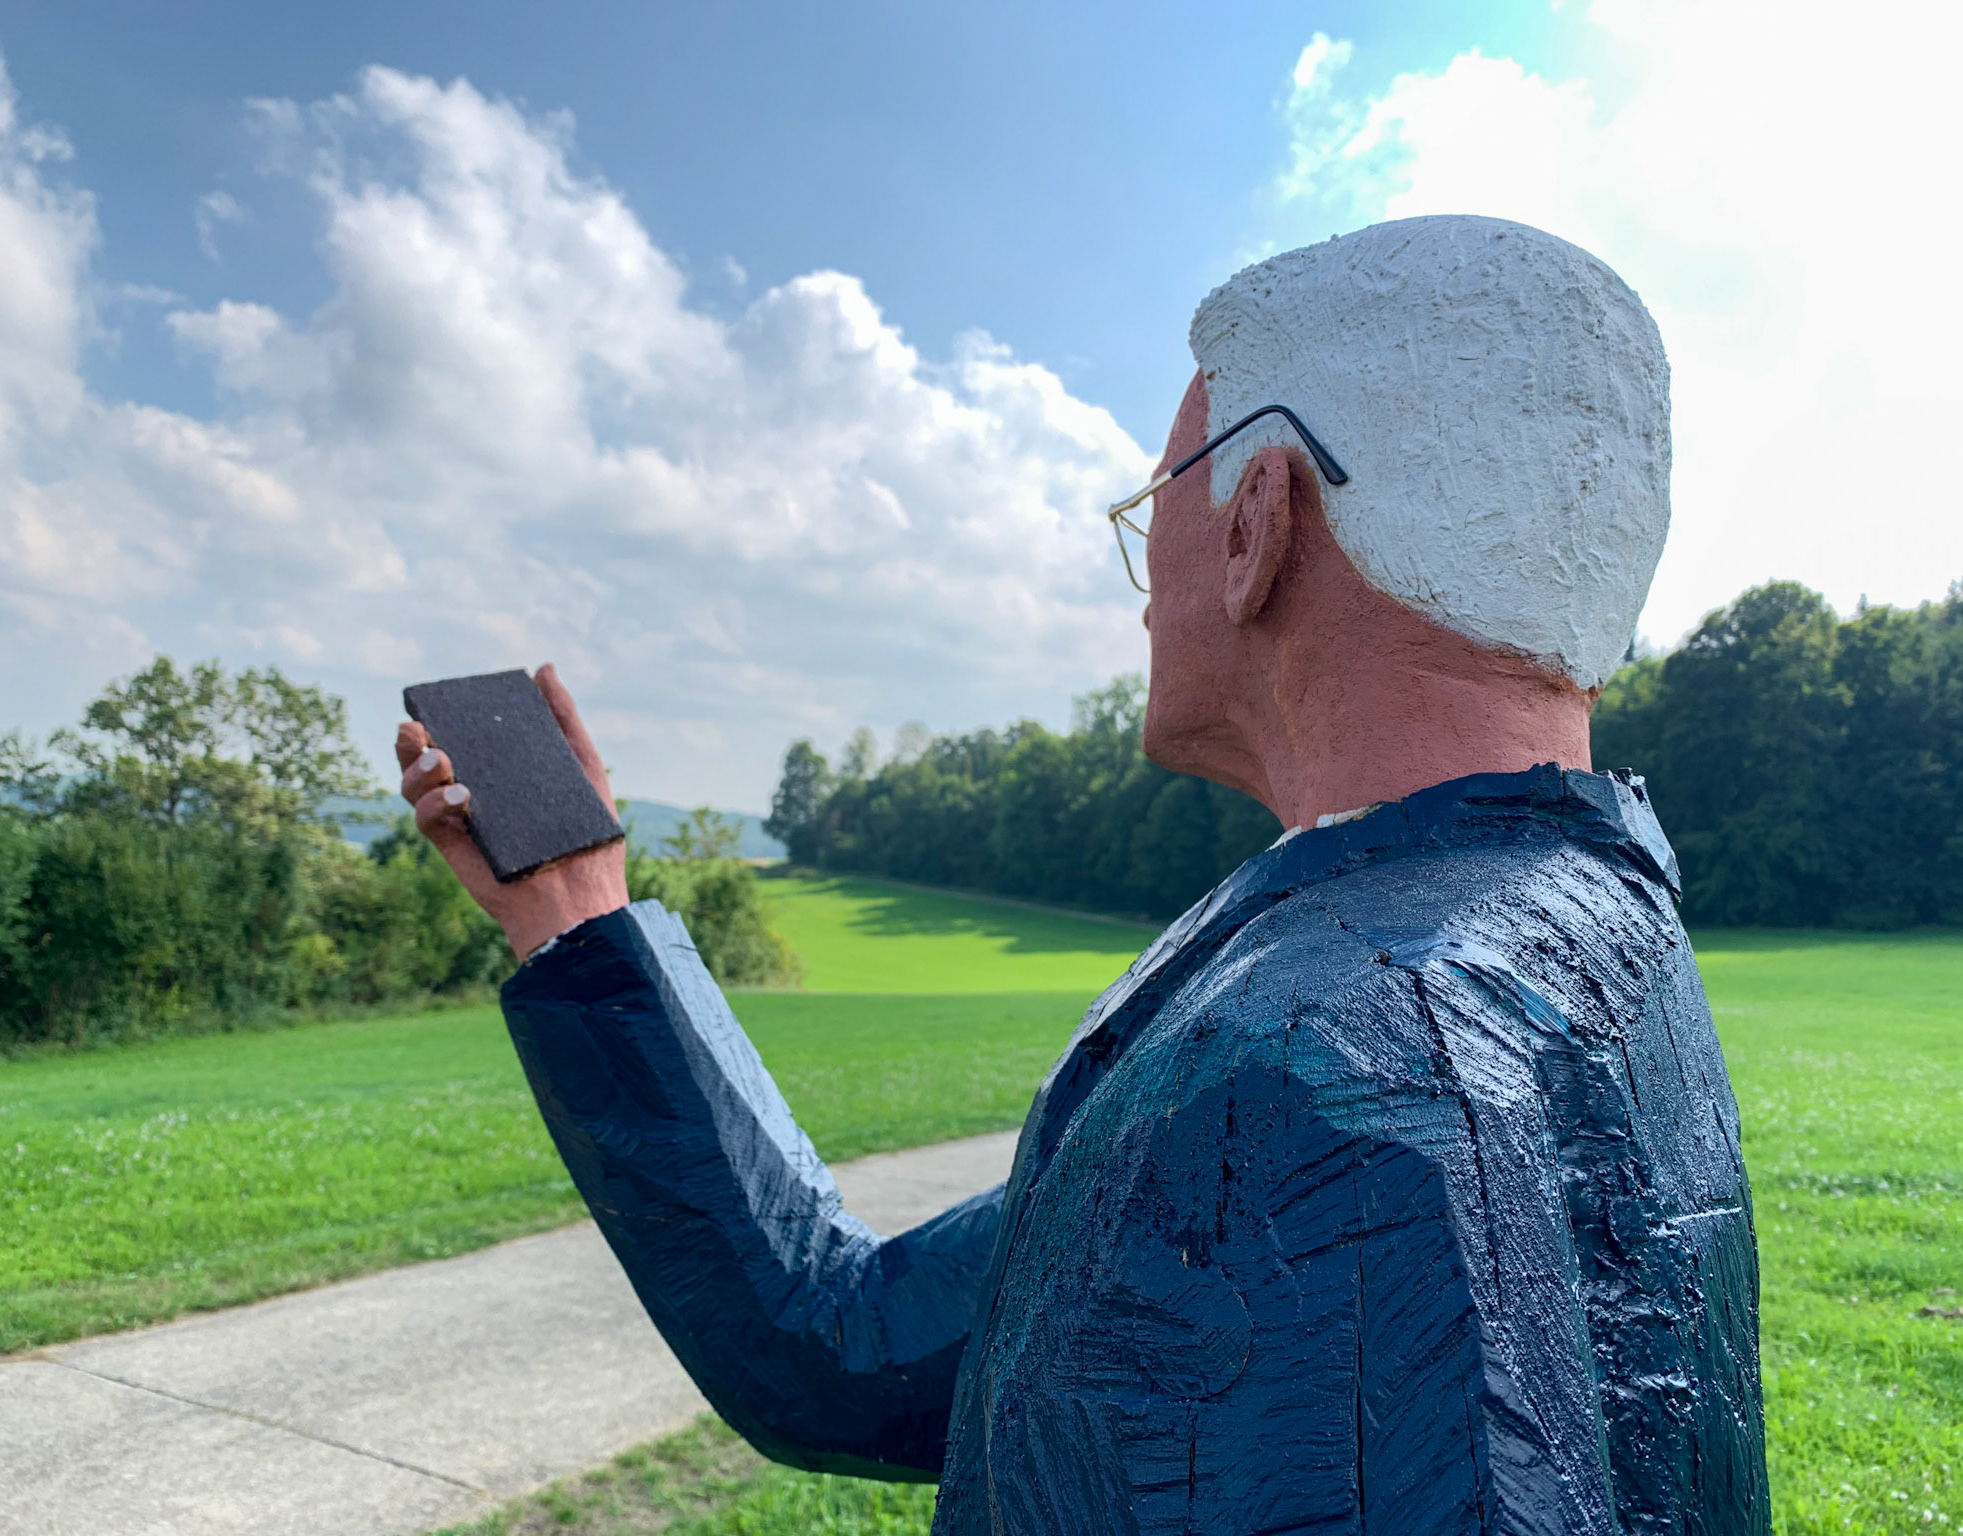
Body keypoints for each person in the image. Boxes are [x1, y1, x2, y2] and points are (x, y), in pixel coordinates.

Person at [397, 215, 1767, 1536]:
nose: (1144, 575)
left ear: (1260, 521)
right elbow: (846, 1346)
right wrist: (580, 920)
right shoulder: (1596, 932)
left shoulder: (1309, 1066)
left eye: (1161, 498)